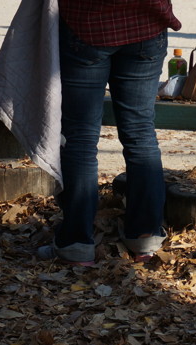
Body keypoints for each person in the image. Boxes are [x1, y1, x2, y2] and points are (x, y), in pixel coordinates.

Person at [37, 0, 181, 266]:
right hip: (145, 26)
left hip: (88, 26)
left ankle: (76, 244)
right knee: (140, 133)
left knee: (80, 139)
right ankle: (145, 237)